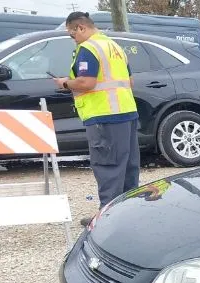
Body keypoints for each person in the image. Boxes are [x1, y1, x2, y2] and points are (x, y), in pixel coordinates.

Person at [53, 12, 139, 226]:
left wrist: (65, 83)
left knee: (108, 166)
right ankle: (129, 214)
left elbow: (86, 82)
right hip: (126, 112)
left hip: (104, 116)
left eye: (72, 34)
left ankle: (108, 219)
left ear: (81, 27)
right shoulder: (114, 46)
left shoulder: (89, 48)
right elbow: (130, 80)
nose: (73, 38)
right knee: (128, 166)